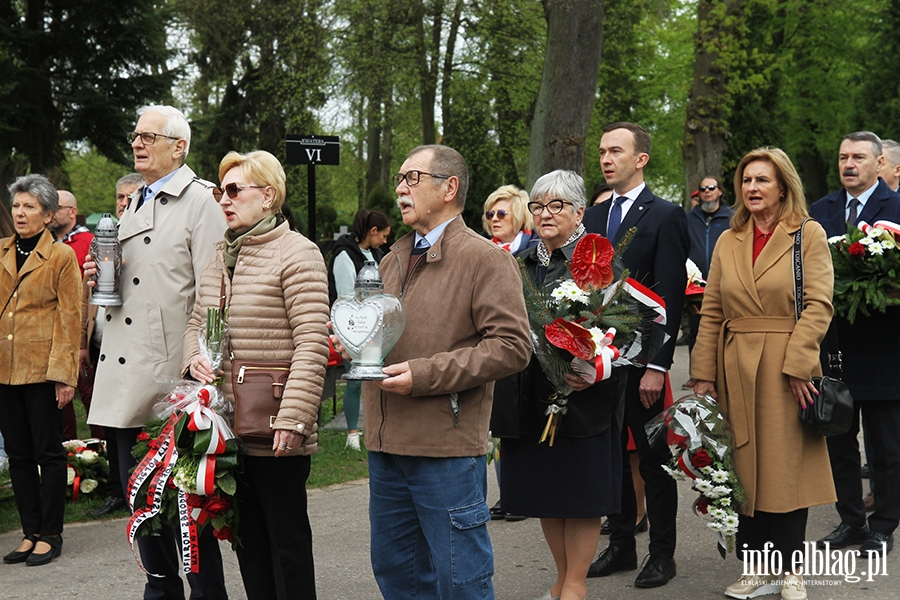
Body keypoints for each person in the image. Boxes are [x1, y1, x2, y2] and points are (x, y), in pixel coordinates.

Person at [355, 144, 531, 599]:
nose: (399, 188)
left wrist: (425, 375)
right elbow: (386, 333)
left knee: (462, 580)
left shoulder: (486, 259)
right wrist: (357, 342)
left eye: (412, 178)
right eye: (399, 178)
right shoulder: (391, 259)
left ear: (449, 187)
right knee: (398, 576)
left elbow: (512, 347)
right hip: (386, 446)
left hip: (445, 449)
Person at [85, 105, 227, 600]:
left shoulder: (201, 200)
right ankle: (161, 589)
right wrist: (98, 281)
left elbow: (215, 295)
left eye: (149, 136)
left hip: (173, 381)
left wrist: (206, 375)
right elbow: (133, 283)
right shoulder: (135, 201)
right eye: (135, 135)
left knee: (186, 508)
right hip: (129, 372)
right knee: (140, 499)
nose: (137, 143)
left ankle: (207, 593)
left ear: (179, 147)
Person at [692, 147, 835, 600]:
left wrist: (798, 365)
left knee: (785, 470)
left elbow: (819, 305)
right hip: (735, 365)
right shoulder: (728, 239)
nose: (752, 188)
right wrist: (702, 374)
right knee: (744, 470)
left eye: (762, 181)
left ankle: (790, 571)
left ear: (783, 186)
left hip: (785, 365)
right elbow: (711, 311)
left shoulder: (806, 234)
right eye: (747, 181)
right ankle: (755, 567)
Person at [184, 150, 328, 600]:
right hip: (225, 427)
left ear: (268, 196)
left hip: (275, 424)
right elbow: (194, 323)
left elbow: (311, 342)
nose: (223, 200)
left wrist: (295, 418)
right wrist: (194, 359)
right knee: (248, 545)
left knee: (286, 547)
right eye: (218, 191)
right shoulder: (220, 253)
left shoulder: (298, 253)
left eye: (233, 190)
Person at [493, 170, 624, 600]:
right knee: (548, 491)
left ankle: (575, 584)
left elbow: (624, 328)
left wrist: (593, 364)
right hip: (532, 396)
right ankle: (562, 577)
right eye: (537, 206)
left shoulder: (599, 259)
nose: (545, 214)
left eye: (556, 206)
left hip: (585, 399)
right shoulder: (521, 261)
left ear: (579, 211)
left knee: (580, 493)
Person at [583, 122, 688, 588]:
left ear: (640, 159)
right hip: (598, 360)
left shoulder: (665, 214)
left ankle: (661, 554)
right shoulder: (592, 217)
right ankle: (621, 545)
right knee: (609, 457)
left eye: (616, 151)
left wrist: (657, 365)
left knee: (652, 460)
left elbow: (671, 295)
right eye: (602, 151)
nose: (606, 159)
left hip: (643, 361)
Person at [810, 131, 900, 557]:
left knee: (885, 447)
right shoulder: (820, 211)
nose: (849, 164)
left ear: (879, 164)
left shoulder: (897, 209)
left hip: (885, 346)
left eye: (859, 157)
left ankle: (883, 525)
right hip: (835, 345)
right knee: (838, 438)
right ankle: (850, 520)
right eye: (844, 156)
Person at [0, 175, 81, 566]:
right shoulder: (0, 251)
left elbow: (70, 317)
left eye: (29, 206)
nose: (20, 212)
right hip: (4, 370)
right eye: (16, 205)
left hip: (42, 370)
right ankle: (29, 532)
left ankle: (51, 533)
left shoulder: (62, 257)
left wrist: (65, 376)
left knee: (48, 454)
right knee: (17, 454)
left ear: (49, 215)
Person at [85, 173, 142, 517]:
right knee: (108, 425)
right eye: (119, 197)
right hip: (100, 346)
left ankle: (132, 491)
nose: (123, 203)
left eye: (130, 197)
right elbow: (86, 299)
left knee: (130, 428)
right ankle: (115, 488)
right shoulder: (104, 236)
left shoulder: (142, 239)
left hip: (132, 351)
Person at [328, 209, 391, 450]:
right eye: (383, 235)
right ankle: (352, 433)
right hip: (354, 326)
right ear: (372, 231)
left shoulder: (377, 253)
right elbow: (346, 296)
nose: (385, 241)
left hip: (376, 325)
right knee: (355, 381)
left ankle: (376, 428)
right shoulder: (345, 256)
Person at [681, 176, 734, 389]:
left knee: (723, 329)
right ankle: (697, 372)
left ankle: (723, 373)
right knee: (696, 330)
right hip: (696, 285)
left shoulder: (731, 217)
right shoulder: (689, 218)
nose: (707, 192)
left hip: (725, 282)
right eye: (703, 189)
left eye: (711, 188)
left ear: (720, 191)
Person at [482, 184, 539, 253]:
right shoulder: (481, 248)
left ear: (520, 217)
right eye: (490, 214)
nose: (494, 219)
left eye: (501, 214)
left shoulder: (539, 247)